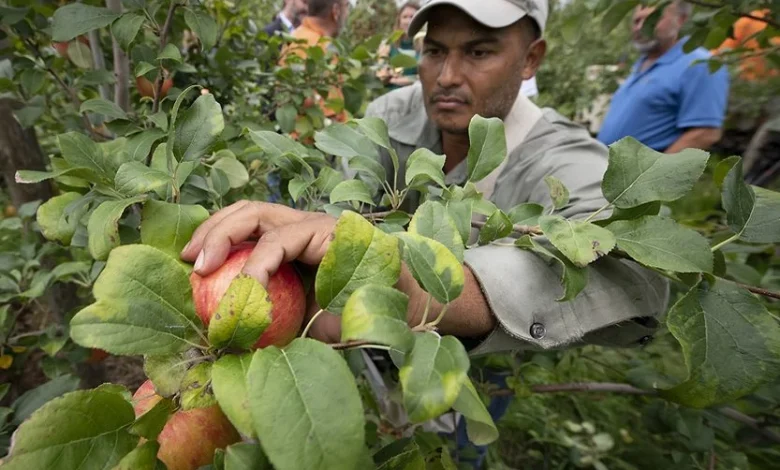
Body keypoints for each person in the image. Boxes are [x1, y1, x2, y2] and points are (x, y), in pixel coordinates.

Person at [182, 0, 667, 467]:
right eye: (434, 51)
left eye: (479, 52)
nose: (448, 76)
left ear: (530, 59)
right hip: (365, 349)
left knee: (458, 449)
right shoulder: (392, 114)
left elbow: (636, 270)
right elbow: (341, 209)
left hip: (476, 371)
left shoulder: (563, 159)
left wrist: (420, 291)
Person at [596, 1, 730, 153]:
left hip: (638, 175)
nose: (640, 27)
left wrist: (655, 175)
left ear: (681, 20)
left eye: (652, 20)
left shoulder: (699, 64)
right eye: (637, 21)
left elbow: (705, 133)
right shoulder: (644, 62)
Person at [379, 2, 422, 90]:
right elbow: (381, 75)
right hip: (391, 96)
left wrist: (398, 80)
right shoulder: (387, 45)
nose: (408, 21)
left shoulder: (425, 45)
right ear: (399, 20)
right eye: (405, 17)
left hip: (416, 96)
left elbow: (429, 76)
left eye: (412, 17)